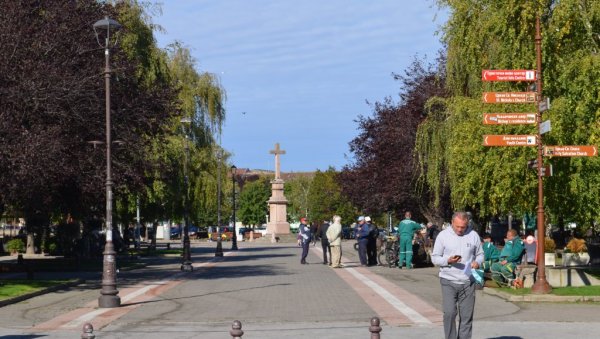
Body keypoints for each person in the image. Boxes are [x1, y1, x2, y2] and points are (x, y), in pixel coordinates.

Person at [431, 211, 484, 339]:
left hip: (468, 281)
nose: (460, 230)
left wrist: (477, 262)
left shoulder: (473, 235)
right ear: (452, 222)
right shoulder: (443, 236)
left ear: (467, 224)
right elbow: (435, 258)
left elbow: (480, 254)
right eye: (457, 226)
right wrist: (448, 261)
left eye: (463, 227)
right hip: (448, 280)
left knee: (466, 316)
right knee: (449, 313)